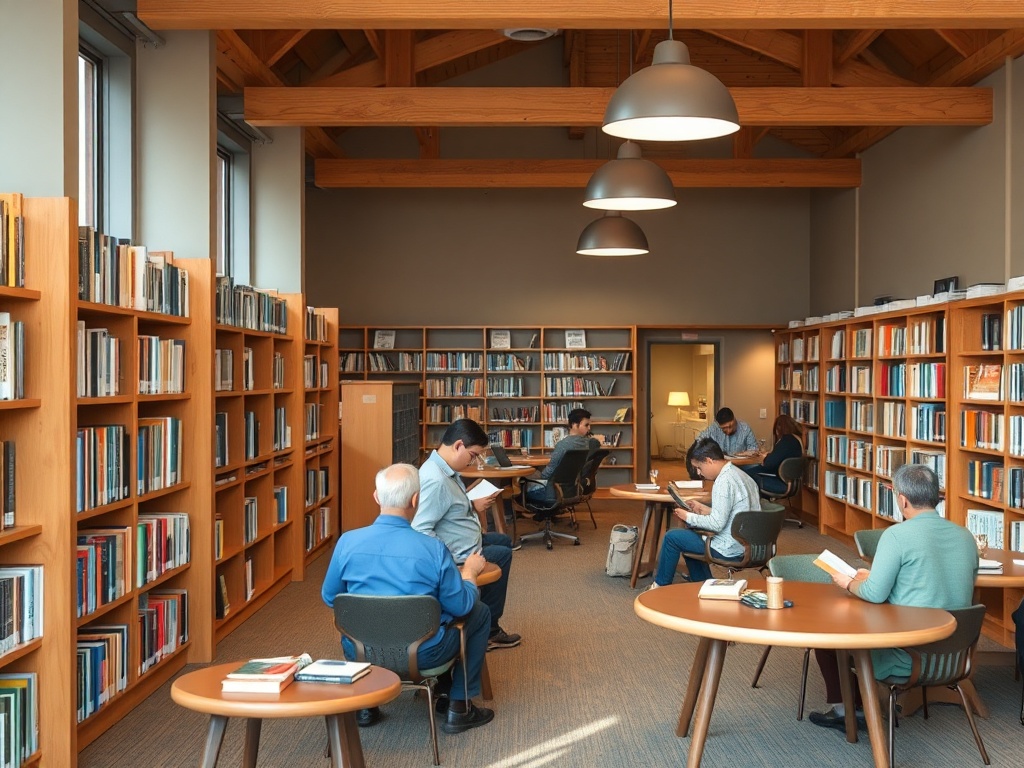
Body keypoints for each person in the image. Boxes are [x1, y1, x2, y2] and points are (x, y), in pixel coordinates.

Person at [320, 463, 493, 733]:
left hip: (361, 651)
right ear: (416, 500)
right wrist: (469, 574)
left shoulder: (346, 542)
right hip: (424, 655)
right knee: (480, 612)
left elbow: (331, 597)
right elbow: (461, 605)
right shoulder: (434, 549)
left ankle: (365, 704)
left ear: (376, 497)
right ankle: (460, 707)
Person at [808, 463, 979, 732]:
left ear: (902, 499)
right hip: (954, 657)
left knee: (830, 642)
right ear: (937, 495)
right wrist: (876, 578)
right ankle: (865, 705)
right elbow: (942, 581)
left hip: (909, 658)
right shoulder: (965, 536)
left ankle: (848, 712)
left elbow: (875, 595)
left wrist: (850, 582)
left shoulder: (897, 535)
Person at [413, 418, 522, 651]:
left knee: (502, 541)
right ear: (459, 445)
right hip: (456, 555)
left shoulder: (444, 468)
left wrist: (471, 506)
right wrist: (451, 559)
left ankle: (489, 622)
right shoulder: (435, 480)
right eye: (473, 455)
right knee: (502, 554)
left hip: (462, 540)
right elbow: (420, 530)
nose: (474, 461)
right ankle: (490, 628)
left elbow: (446, 510)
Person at [649, 437, 762, 587]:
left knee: (672, 537)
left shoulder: (723, 481)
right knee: (688, 537)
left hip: (731, 547)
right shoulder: (741, 475)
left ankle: (659, 587)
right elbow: (737, 512)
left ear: (709, 460)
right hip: (752, 544)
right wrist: (703, 510)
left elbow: (716, 524)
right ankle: (703, 583)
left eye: (699, 467)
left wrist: (688, 516)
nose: (698, 472)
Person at [526, 407, 599, 502]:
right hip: (575, 489)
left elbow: (548, 474)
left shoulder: (563, 445)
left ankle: (510, 514)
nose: (589, 428)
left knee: (523, 478)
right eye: (586, 425)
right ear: (574, 425)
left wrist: (536, 473)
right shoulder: (591, 444)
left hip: (553, 491)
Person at [742, 414, 804, 494]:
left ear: (778, 429)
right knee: (749, 471)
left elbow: (769, 464)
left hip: (780, 483)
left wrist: (766, 457)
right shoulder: (797, 440)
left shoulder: (786, 441)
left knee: (744, 475)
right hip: (792, 483)